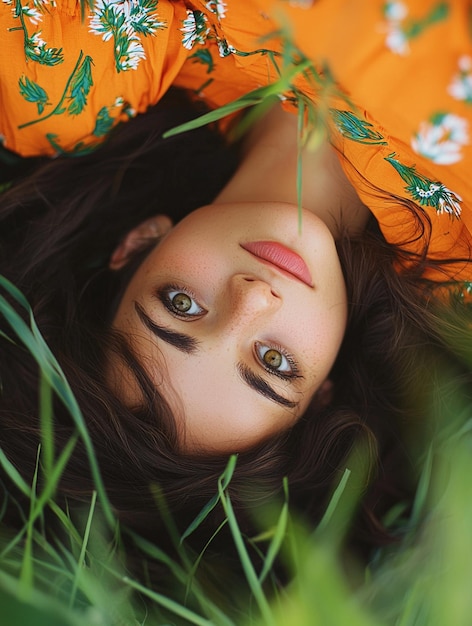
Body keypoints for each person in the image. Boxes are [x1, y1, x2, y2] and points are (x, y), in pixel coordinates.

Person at [0, 0, 471, 592]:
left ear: (139, 244)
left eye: (181, 306)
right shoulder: (463, 245)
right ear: (323, 389)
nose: (254, 300)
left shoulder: (81, 71)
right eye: (272, 363)